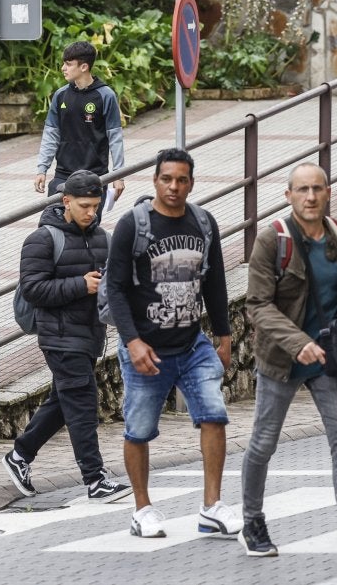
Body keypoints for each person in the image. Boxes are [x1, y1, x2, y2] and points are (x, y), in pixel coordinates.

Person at [239, 162, 337, 563]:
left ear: (328, 192)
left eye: (317, 189)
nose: (310, 197)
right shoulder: (273, 239)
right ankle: (252, 520)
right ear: (288, 195)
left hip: (329, 358)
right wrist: (296, 342)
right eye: (302, 190)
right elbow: (257, 304)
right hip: (281, 360)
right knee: (263, 442)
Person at [106, 147, 239, 540]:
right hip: (146, 348)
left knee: (214, 414)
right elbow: (113, 287)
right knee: (139, 429)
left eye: (182, 180)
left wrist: (224, 335)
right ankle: (142, 509)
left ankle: (212, 505)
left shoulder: (203, 223)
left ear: (191, 183)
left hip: (192, 344)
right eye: (167, 179)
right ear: (155, 181)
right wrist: (131, 342)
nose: (174, 187)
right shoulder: (133, 225)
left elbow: (214, 283)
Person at [3, 171, 131, 503]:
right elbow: (32, 288)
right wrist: (80, 285)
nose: (91, 212)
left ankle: (20, 455)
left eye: (96, 206)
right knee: (83, 405)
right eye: (84, 206)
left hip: (90, 335)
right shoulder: (42, 239)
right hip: (58, 337)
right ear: (66, 202)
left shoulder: (102, 237)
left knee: (64, 403)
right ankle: (95, 479)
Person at [32, 41, 126, 214]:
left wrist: (118, 175)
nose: (63, 68)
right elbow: (51, 134)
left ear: (84, 66)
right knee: (51, 225)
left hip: (94, 176)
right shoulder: (60, 95)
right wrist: (42, 169)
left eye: (68, 64)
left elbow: (115, 138)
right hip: (62, 176)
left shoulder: (106, 96)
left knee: (87, 231)